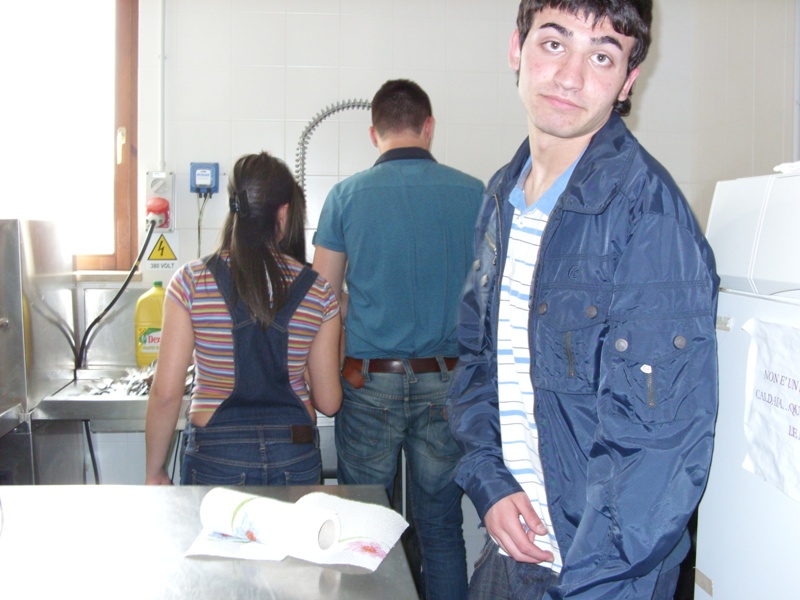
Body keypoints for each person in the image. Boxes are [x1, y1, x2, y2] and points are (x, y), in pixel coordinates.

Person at [446, 1, 719, 599]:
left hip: (600, 577)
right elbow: (477, 364)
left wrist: (590, 585)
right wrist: (490, 483)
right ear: (516, 49)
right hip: (510, 554)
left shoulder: (649, 216)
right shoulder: (501, 198)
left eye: (601, 56)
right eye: (554, 43)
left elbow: (659, 451)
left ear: (627, 81)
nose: (570, 77)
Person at [312, 79, 484, 600]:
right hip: (447, 381)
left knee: (363, 529)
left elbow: (322, 298)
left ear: (374, 133)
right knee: (442, 528)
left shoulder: (345, 197)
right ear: (428, 127)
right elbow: (489, 297)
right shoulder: (475, 194)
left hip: (369, 383)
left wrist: (359, 316)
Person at [145, 152, 342, 487]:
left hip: (215, 454)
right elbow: (329, 402)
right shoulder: (318, 291)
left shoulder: (190, 281)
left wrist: (154, 472)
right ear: (284, 212)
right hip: (293, 452)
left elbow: (165, 394)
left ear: (234, 206)